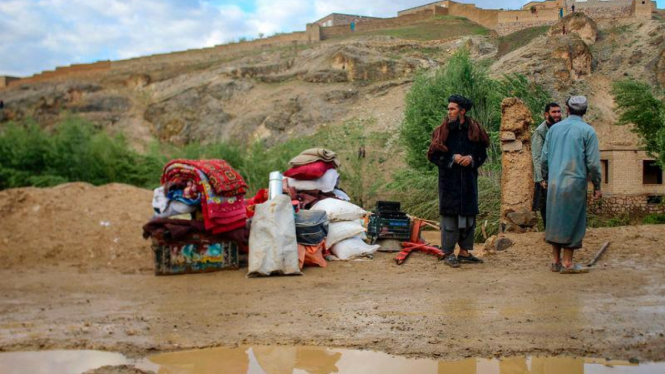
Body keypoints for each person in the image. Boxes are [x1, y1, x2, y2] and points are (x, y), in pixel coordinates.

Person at [541, 96, 602, 274]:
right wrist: (597, 185)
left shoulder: (554, 130)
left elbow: (544, 158)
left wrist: (546, 177)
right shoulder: (588, 131)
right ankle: (568, 263)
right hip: (575, 182)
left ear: (567, 110)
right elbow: (593, 164)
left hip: (554, 182)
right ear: (585, 111)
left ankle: (555, 261)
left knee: (555, 220)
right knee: (573, 221)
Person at [427, 95, 489, 268]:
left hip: (468, 181)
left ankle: (464, 253)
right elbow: (433, 155)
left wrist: (471, 159)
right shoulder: (442, 131)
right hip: (450, 183)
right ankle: (447, 253)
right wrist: (452, 158)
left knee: (468, 217)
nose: (449, 112)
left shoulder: (475, 130)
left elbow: (482, 154)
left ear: (462, 111)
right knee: (450, 218)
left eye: (452, 109)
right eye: (448, 109)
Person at [532, 103, 563, 228]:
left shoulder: (562, 128)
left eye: (558, 112)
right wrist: (541, 178)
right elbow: (537, 156)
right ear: (546, 114)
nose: (557, 115)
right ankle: (549, 231)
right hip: (547, 175)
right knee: (546, 206)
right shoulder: (540, 131)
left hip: (561, 172)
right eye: (553, 112)